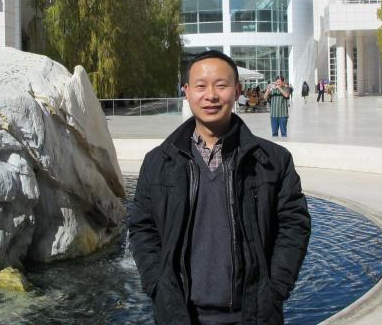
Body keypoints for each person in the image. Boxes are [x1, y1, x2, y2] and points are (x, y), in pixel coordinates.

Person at [129, 50, 311, 325]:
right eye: (201, 86)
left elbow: (294, 225)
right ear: (186, 92)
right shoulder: (158, 162)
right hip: (179, 315)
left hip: (253, 315)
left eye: (221, 85)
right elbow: (143, 228)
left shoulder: (273, 161)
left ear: (237, 90)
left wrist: (274, 289)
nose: (211, 95)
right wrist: (157, 286)